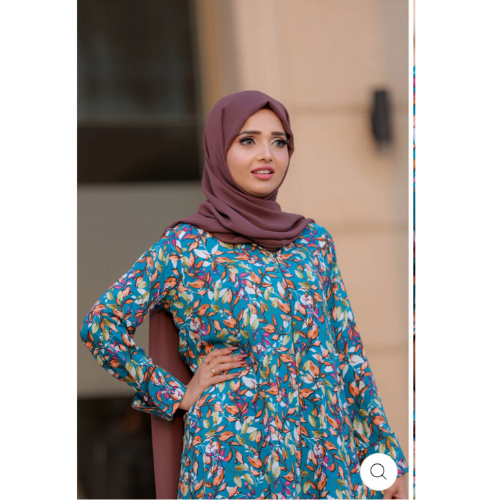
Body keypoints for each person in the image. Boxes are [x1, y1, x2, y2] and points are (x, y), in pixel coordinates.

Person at [80, 90, 408, 499]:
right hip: (234, 462)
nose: (266, 154)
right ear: (220, 151)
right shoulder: (186, 247)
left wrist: (384, 464)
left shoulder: (312, 243)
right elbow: (101, 325)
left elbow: (347, 355)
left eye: (279, 142)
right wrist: (176, 394)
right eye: (248, 140)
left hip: (324, 460)